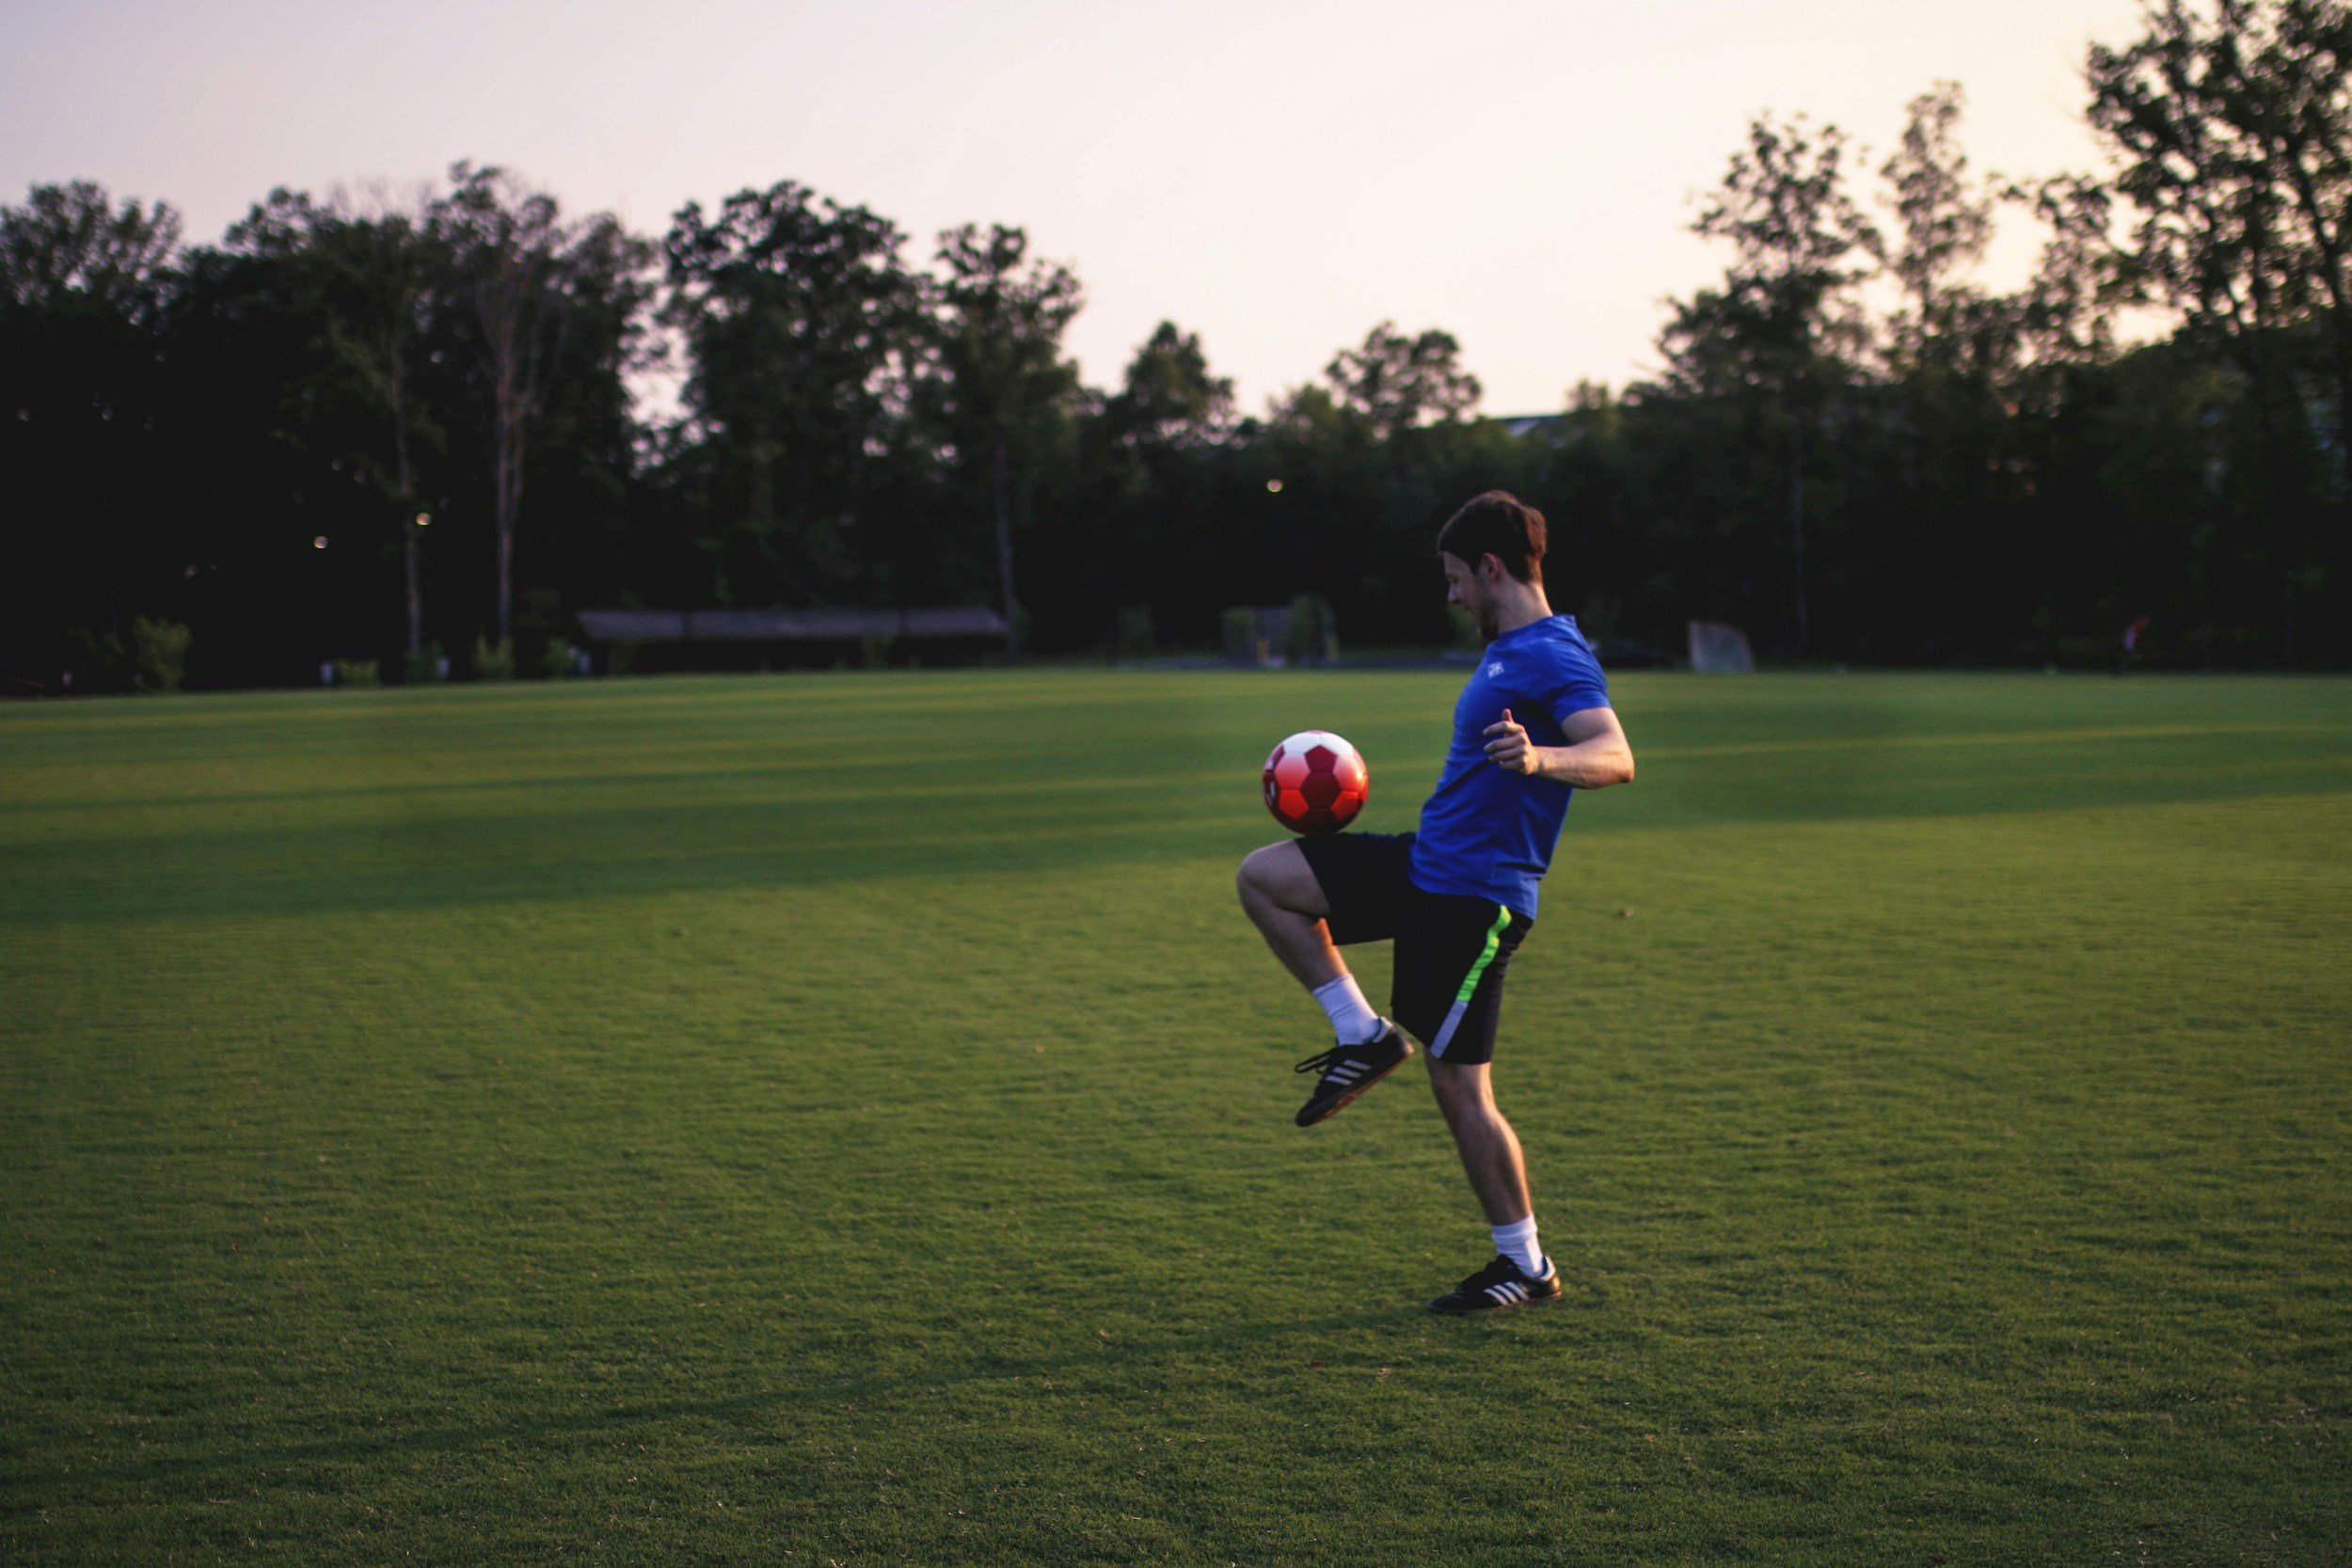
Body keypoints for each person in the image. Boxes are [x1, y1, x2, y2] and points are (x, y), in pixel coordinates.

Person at [1235, 490, 1635, 1314]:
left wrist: (1541, 760)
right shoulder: (1505, 649)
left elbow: (1615, 753)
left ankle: (1524, 1265)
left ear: (1491, 568)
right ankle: (1362, 1034)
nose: (1451, 594)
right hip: (1426, 865)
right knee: (1265, 878)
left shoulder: (1556, 655)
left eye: (1457, 577)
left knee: (1461, 1089)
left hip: (1474, 899)